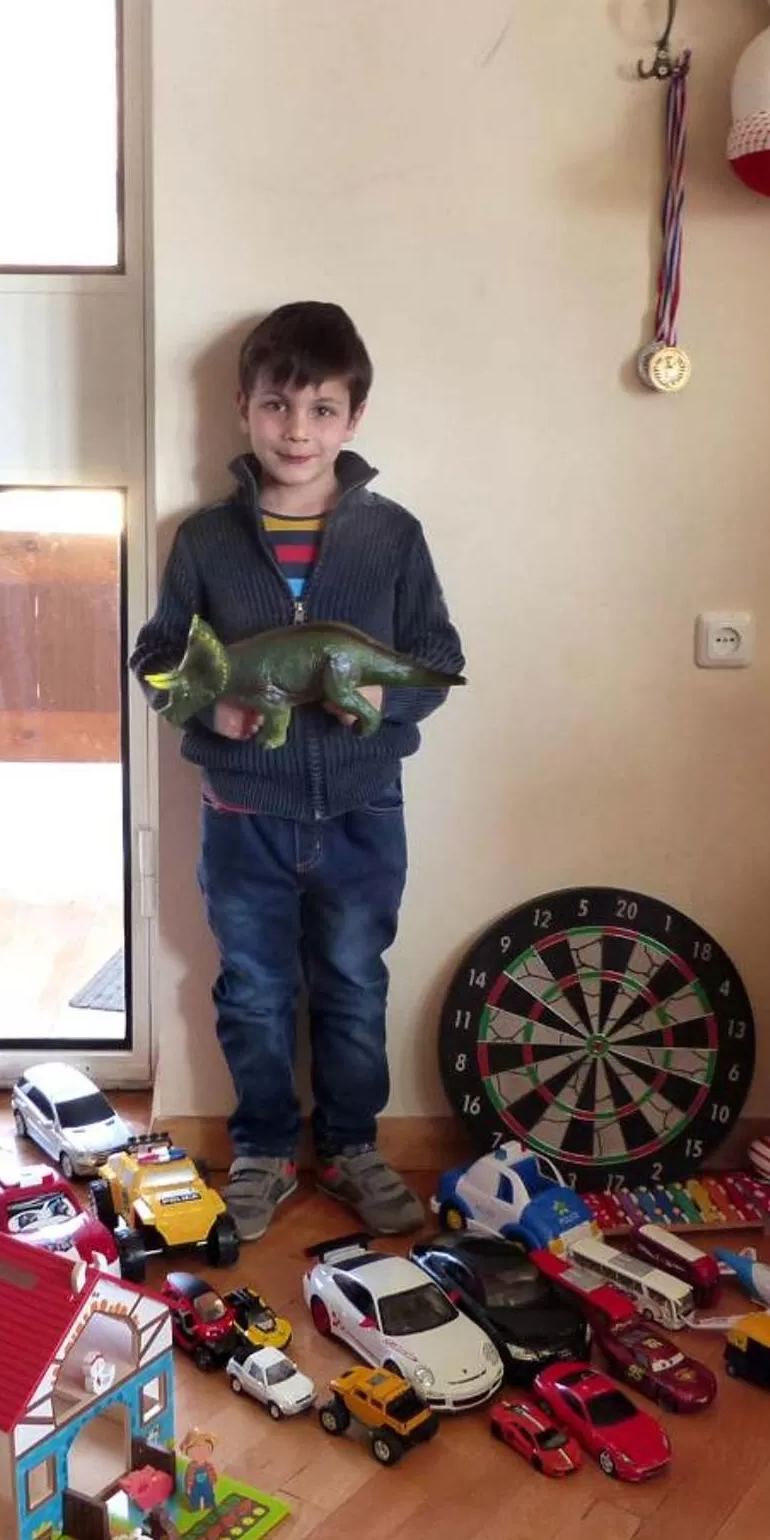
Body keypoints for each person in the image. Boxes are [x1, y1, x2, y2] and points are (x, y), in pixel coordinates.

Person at [130, 301, 463, 1242]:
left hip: (365, 807)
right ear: (244, 408)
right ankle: (266, 1149)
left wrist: (375, 705)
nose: (298, 430)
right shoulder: (203, 540)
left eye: (322, 409)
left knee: (356, 983)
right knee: (254, 988)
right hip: (244, 810)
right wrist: (212, 707)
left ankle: (354, 1145)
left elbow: (436, 656)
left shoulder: (392, 537)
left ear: (353, 418)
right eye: (279, 406)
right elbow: (158, 655)